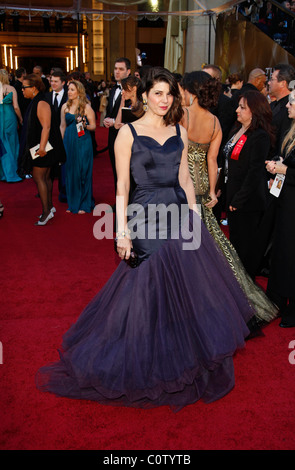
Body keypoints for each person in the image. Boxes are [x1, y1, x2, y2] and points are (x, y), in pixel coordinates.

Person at [37, 67, 269, 411]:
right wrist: (122, 231)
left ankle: (177, 353)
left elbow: (186, 180)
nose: (164, 100)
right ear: (144, 95)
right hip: (144, 215)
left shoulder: (180, 129)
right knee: (145, 286)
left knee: (184, 288)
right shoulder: (128, 133)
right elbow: (122, 187)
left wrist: (194, 219)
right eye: (157, 93)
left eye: (169, 94)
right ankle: (141, 354)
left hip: (178, 214)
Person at [181, 71, 278, 326]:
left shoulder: (182, 116)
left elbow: (178, 158)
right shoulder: (215, 122)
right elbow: (212, 161)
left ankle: (186, 293)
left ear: (190, 91)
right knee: (209, 241)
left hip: (184, 185)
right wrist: (213, 191)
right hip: (204, 186)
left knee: (186, 241)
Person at [225, 90, 275, 279]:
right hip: (234, 195)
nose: (237, 110)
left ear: (254, 111)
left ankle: (247, 290)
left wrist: (239, 199)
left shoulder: (259, 136)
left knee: (246, 249)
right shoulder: (238, 129)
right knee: (236, 244)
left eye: (242, 107)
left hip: (248, 201)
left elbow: (254, 173)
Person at [265, 89, 295, 327]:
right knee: (282, 250)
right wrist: (278, 165)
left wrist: (284, 170)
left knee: (290, 253)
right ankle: (277, 299)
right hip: (285, 201)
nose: (287, 105)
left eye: (292, 102)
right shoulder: (290, 130)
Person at [18, 73, 65, 225]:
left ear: (34, 88)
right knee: (45, 177)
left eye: (24, 88)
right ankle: (49, 207)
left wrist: (42, 148)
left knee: (39, 177)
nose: (22, 91)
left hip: (43, 148)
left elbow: (47, 126)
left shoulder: (41, 102)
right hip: (41, 146)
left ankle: (46, 212)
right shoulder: (36, 100)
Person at [60, 80, 96, 214]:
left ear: (79, 91)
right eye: (68, 89)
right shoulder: (65, 107)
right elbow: (62, 126)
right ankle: (72, 202)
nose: (69, 92)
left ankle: (84, 203)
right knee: (70, 172)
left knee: (83, 171)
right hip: (69, 142)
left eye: (72, 89)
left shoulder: (86, 107)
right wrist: (61, 144)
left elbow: (93, 126)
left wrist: (84, 125)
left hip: (83, 141)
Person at [103, 57, 131, 195]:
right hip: (112, 137)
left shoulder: (132, 91)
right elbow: (111, 111)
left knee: (127, 172)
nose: (117, 72)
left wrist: (115, 122)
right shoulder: (114, 90)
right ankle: (119, 199)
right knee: (115, 170)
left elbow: (133, 117)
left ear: (128, 71)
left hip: (126, 138)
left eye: (121, 69)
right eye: (115, 69)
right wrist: (107, 120)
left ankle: (129, 203)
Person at [45, 70, 68, 203]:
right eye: (51, 81)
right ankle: (47, 190)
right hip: (48, 134)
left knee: (62, 163)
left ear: (63, 83)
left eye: (56, 81)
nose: (53, 84)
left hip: (64, 134)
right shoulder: (46, 97)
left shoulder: (69, 96)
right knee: (48, 163)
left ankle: (63, 190)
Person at [0, 69, 22, 183]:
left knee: (2, 143)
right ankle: (12, 171)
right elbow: (16, 107)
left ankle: (3, 173)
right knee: (11, 142)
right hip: (9, 116)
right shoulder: (11, 89)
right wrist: (21, 118)